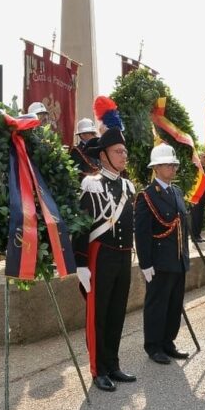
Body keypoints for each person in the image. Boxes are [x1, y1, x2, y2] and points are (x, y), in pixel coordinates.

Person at [72, 122, 137, 392]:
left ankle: (113, 363)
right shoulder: (92, 185)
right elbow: (82, 225)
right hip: (100, 256)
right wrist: (80, 263)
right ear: (104, 155)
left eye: (124, 151)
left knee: (117, 313)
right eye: (118, 151)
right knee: (98, 314)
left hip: (122, 257)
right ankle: (98, 369)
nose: (124, 155)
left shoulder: (129, 187)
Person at [134, 144, 191, 364]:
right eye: (168, 165)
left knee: (175, 303)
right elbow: (142, 232)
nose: (173, 168)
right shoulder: (147, 196)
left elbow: (182, 227)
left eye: (174, 164)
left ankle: (168, 342)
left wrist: (185, 256)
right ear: (156, 168)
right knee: (157, 304)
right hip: (159, 261)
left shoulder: (176, 192)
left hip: (177, 259)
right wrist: (145, 263)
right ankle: (154, 345)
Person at [189, 152, 205, 243]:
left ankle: (198, 235)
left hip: (203, 196)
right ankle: (194, 236)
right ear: (199, 158)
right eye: (203, 157)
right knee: (195, 217)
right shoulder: (196, 169)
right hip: (196, 196)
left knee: (200, 216)